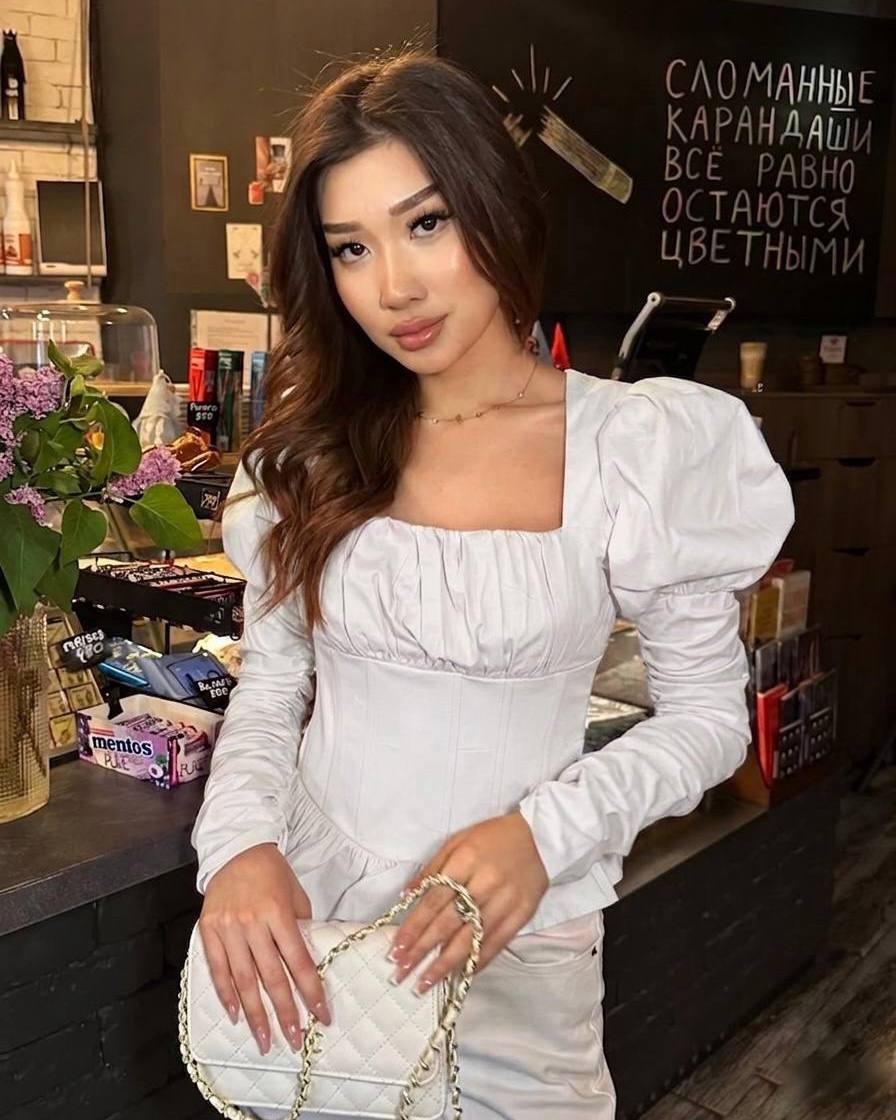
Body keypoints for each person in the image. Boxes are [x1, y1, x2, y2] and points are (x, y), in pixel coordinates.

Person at [189, 45, 795, 1120]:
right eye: (351, 247)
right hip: (316, 935)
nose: (394, 287)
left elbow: (708, 720)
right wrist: (236, 848)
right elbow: (272, 687)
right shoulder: (311, 452)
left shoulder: (633, 447)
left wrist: (544, 835)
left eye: (426, 223)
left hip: (518, 952)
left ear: (496, 207)